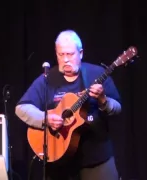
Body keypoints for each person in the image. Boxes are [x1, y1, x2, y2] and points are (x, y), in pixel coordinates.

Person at [15, 29, 122, 180]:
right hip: (60, 162)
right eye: (61, 54)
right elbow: (21, 108)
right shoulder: (47, 78)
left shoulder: (96, 74)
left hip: (97, 159)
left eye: (70, 54)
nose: (65, 60)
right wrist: (45, 118)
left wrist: (103, 100)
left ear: (81, 53)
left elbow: (117, 108)